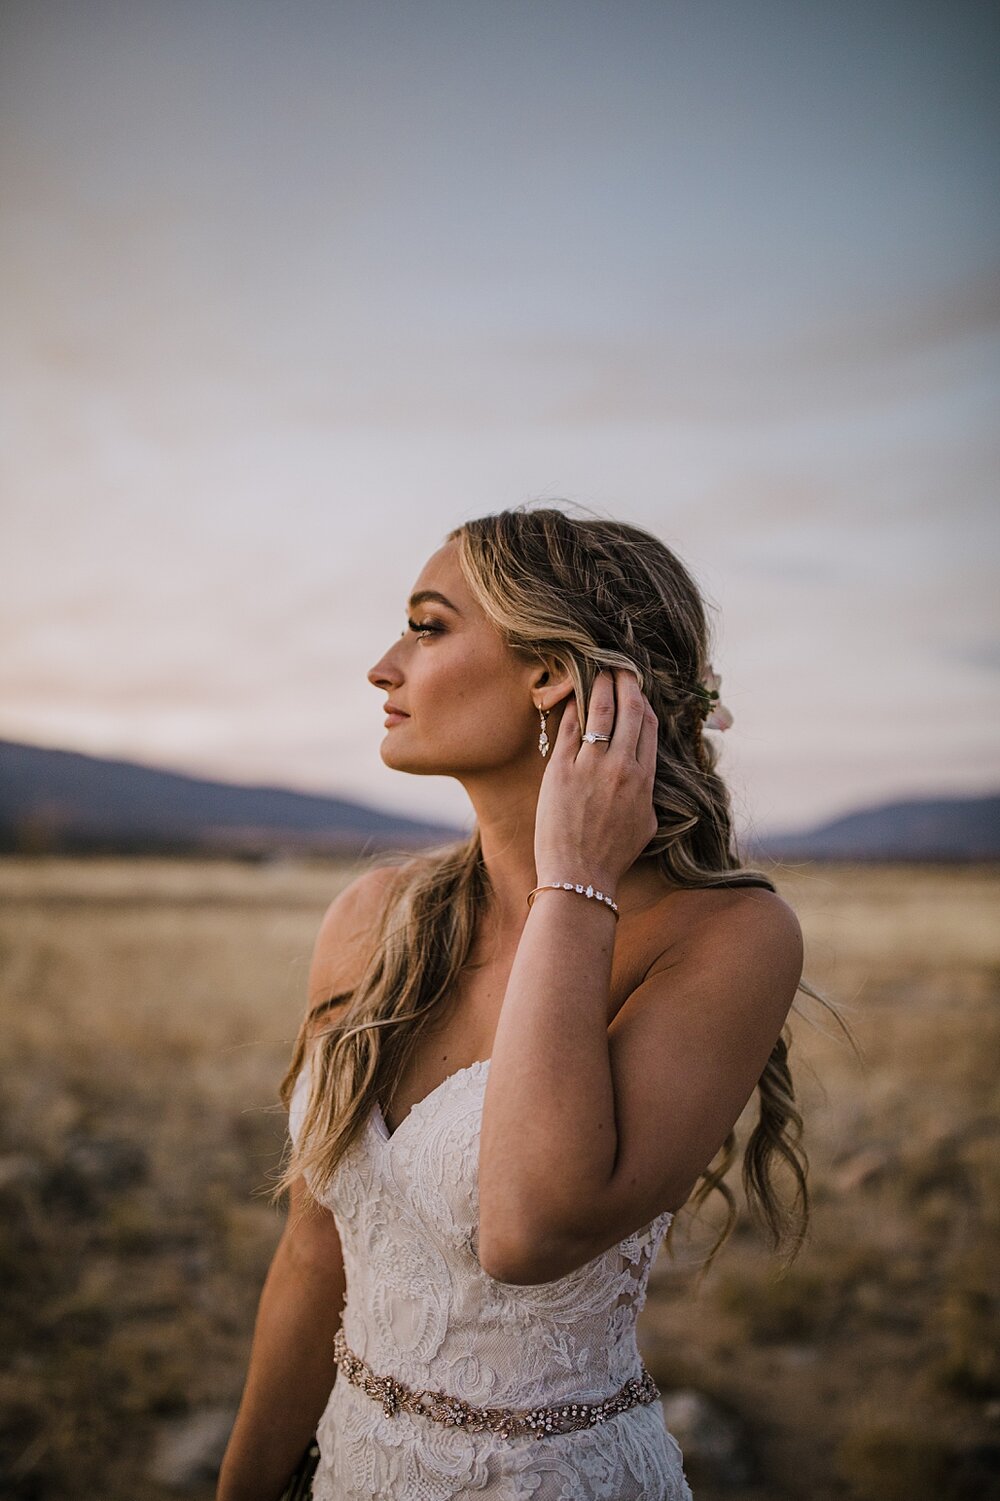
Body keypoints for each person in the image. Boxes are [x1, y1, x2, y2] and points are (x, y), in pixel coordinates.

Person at [218, 505, 816, 1501]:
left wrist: (575, 876)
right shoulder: (373, 917)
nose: (382, 666)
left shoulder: (729, 939)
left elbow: (527, 1231)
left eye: (427, 624)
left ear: (550, 673)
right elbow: (315, 1248)